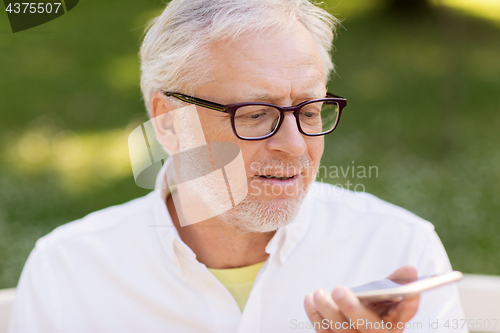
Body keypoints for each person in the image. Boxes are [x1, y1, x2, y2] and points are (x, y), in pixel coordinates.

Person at [9, 0, 466, 332]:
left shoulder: (396, 250)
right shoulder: (69, 272)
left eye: (308, 111)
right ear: (168, 123)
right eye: (255, 115)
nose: (294, 146)